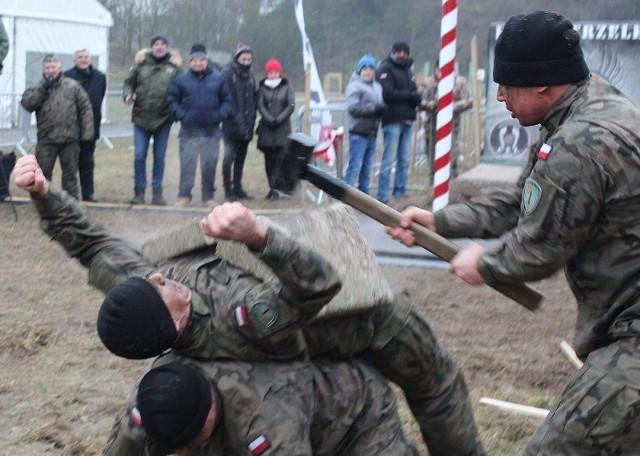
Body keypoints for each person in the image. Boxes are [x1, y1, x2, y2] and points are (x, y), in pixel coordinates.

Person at [13, 154, 486, 456]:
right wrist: (260, 236)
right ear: (174, 326)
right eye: (161, 288)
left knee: (430, 389)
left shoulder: (146, 299)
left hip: (361, 324)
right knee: (433, 389)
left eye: (152, 279)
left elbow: (94, 247)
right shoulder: (241, 318)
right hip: (346, 322)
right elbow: (319, 285)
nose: (160, 276)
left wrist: (42, 193)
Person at [388, 10, 640, 455]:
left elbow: (540, 250)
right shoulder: (588, 106)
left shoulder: (580, 144)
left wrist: (483, 263)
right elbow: (521, 202)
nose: (499, 95)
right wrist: (442, 221)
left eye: (507, 83)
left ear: (542, 82)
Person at [103, 353, 418, 455]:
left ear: (211, 409)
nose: (183, 452)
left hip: (356, 413)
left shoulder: (267, 422)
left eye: (191, 443)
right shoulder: (158, 399)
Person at [167, 44, 232, 208]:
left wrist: (220, 115)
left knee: (209, 165)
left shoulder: (218, 79)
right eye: (195, 60)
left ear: (206, 61)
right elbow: (171, 100)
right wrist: (182, 115)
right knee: (187, 165)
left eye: (201, 60)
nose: (198, 63)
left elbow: (227, 100)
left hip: (211, 132)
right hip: (188, 132)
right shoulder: (181, 79)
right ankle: (184, 196)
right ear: (190, 62)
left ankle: (208, 196)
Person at [21, 53, 94, 199]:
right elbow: (28, 104)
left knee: (70, 177)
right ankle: (42, 203)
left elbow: (86, 108)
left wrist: (87, 133)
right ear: (43, 69)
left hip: (70, 140)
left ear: (60, 68)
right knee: (42, 175)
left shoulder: (73, 86)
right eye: (47, 67)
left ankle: (71, 206)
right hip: (47, 140)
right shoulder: (37, 87)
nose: (51, 70)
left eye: (54, 67)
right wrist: (44, 89)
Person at [123, 35, 182, 206]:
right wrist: (128, 94)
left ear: (167, 48)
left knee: (159, 156)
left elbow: (183, 87)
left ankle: (157, 193)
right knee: (139, 155)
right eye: (156, 44)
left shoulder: (175, 68)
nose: (160, 47)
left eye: (163, 44)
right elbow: (129, 83)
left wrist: (177, 108)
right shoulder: (140, 65)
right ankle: (139, 192)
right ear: (151, 47)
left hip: (163, 120)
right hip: (141, 118)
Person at [375, 41, 422, 203]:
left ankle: (399, 192)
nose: (402, 54)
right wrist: (410, 96)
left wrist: (415, 98)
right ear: (393, 52)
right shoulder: (385, 68)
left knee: (404, 160)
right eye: (399, 51)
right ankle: (382, 195)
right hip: (392, 119)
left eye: (405, 52)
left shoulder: (409, 71)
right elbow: (387, 94)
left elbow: (414, 91)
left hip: (407, 119)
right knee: (388, 160)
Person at [64, 48, 107, 202]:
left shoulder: (100, 77)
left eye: (86, 57)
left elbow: (99, 96)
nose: (83, 59)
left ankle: (88, 193)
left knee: (87, 161)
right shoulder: (67, 76)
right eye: (80, 57)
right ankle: (69, 194)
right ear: (75, 60)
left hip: (91, 126)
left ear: (90, 59)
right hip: (72, 126)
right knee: (70, 162)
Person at [420, 59, 472, 176]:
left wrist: (451, 106)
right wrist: (433, 104)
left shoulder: (460, 82)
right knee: (432, 155)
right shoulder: (428, 83)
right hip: (432, 125)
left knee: (451, 154)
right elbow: (419, 100)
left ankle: (452, 181)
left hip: (452, 126)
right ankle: (433, 183)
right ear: (436, 70)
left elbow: (469, 100)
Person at [343, 53, 385, 195]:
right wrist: (374, 109)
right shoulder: (354, 86)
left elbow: (380, 105)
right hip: (358, 132)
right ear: (360, 70)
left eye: (371, 68)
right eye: (365, 68)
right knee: (355, 166)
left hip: (372, 132)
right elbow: (352, 107)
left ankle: (364, 198)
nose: (368, 71)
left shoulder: (377, 87)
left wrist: (382, 109)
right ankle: (345, 197)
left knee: (367, 168)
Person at [221, 43, 257, 201]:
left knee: (241, 158)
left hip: (247, 125)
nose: (247, 62)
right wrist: (237, 118)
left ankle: (238, 187)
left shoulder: (250, 76)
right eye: (244, 59)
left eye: (249, 59)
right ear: (237, 58)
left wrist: (251, 120)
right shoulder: (228, 73)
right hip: (231, 125)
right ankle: (228, 189)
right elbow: (226, 98)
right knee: (229, 158)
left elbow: (253, 99)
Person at [256, 58, 295, 201]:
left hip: (282, 130)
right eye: (270, 72)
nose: (273, 74)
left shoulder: (287, 87)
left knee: (280, 161)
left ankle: (278, 189)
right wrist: (268, 119)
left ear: (279, 72)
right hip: (267, 130)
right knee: (269, 162)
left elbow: (291, 105)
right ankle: (272, 187)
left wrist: (279, 119)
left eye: (275, 72)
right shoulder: (262, 87)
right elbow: (260, 104)